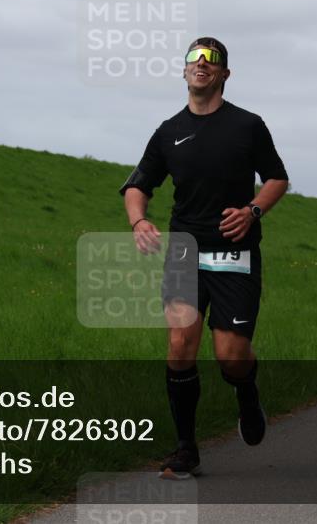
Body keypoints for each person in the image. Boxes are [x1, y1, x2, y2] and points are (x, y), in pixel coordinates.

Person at [119, 37, 289, 478]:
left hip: (235, 254)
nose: (201, 64)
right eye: (194, 58)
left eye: (211, 59)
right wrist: (139, 222)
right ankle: (185, 449)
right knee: (179, 344)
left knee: (230, 354)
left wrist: (253, 211)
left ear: (224, 74)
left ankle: (247, 392)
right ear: (184, 71)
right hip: (184, 250)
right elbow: (138, 184)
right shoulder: (168, 131)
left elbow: (276, 178)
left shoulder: (248, 126)